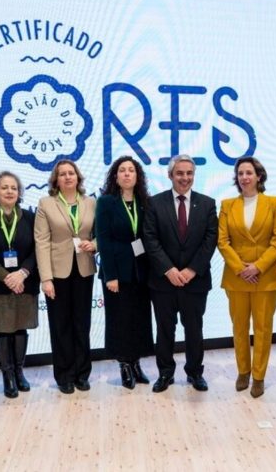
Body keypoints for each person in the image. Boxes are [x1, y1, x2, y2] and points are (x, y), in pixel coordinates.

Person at [143, 154, 217, 393]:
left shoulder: (207, 203)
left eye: (189, 173)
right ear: (170, 175)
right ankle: (165, 373)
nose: (185, 178)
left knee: (194, 330)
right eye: (180, 173)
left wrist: (192, 269)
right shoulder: (154, 203)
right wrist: (169, 270)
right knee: (165, 330)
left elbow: (210, 240)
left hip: (195, 281)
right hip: (163, 282)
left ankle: (195, 373)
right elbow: (150, 239)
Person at [217, 156, 276, 398]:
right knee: (239, 327)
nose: (244, 177)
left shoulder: (275, 203)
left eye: (249, 173)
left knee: (263, 329)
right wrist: (240, 268)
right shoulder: (227, 205)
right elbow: (223, 242)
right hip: (237, 278)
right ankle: (243, 371)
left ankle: (259, 376)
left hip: (265, 276)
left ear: (259, 176)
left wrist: (257, 267)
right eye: (240, 173)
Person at [0, 171, 39, 398]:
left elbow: (37, 249)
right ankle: (7, 375)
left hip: (25, 282)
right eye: (4, 187)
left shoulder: (31, 218)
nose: (9, 191)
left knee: (20, 326)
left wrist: (22, 273)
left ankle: (19, 372)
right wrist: (6, 276)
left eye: (14, 187)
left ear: (19, 192)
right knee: (1, 328)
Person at [34, 160, 96, 394]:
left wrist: (95, 244)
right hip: (57, 273)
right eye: (62, 174)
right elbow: (41, 242)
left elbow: (101, 234)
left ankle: (82, 374)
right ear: (56, 180)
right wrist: (46, 278)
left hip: (84, 269)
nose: (68, 177)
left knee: (82, 324)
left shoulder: (91, 202)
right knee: (60, 326)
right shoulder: (46, 203)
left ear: (78, 177)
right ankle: (64, 376)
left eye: (71, 173)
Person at [95, 156, 154, 389]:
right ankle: (124, 365)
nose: (127, 174)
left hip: (141, 271)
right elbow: (103, 240)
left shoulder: (145, 201)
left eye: (131, 170)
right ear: (115, 176)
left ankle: (136, 363)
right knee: (120, 320)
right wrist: (111, 275)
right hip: (117, 272)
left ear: (138, 176)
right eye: (122, 170)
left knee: (139, 318)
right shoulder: (106, 202)